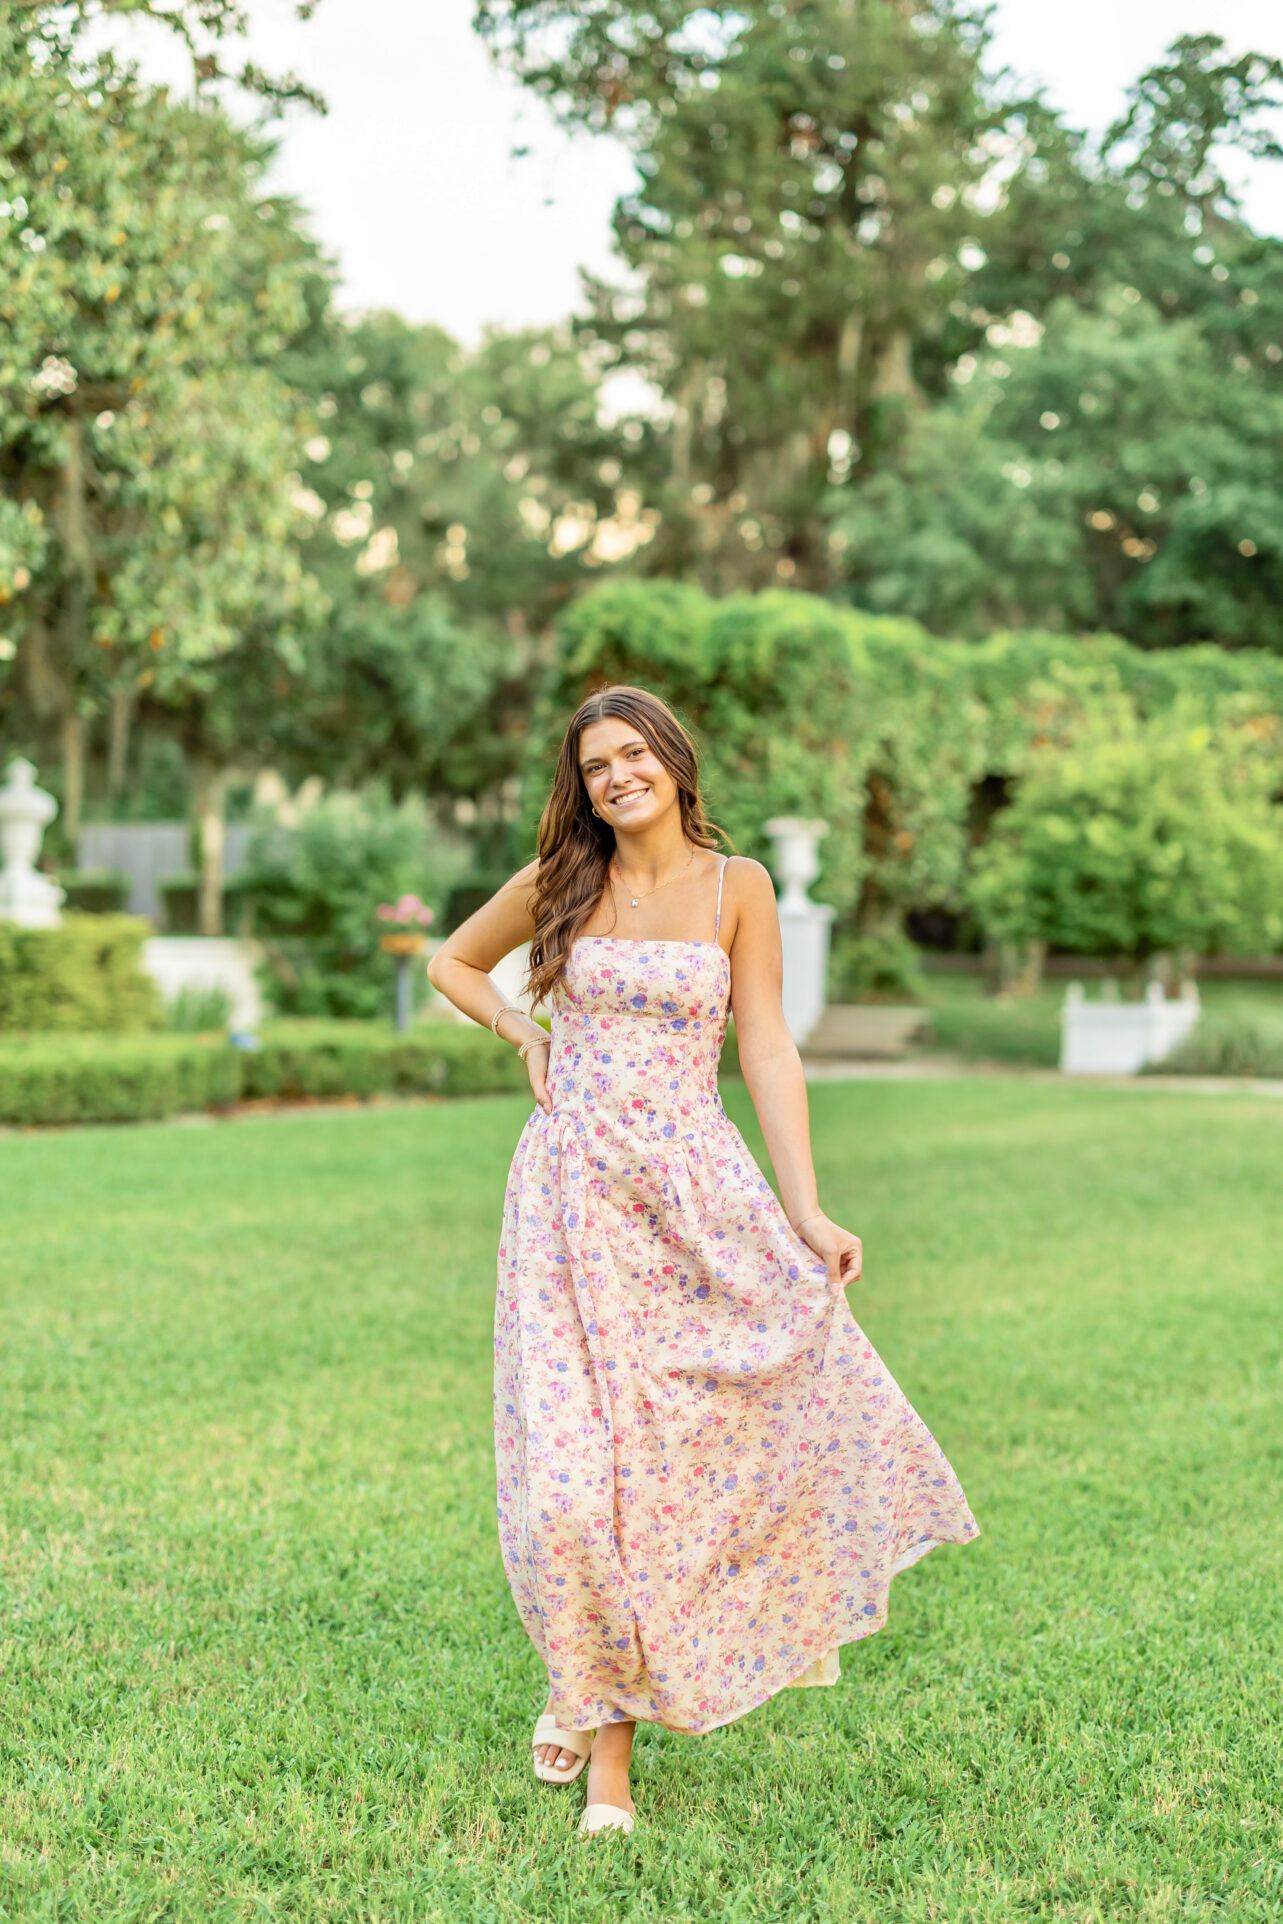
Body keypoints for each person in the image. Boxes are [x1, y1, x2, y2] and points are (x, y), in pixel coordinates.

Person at [427, 684, 980, 1840]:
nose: (616, 775)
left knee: (664, 1474)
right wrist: (522, 1030)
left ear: (674, 762)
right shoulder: (558, 882)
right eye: (595, 765)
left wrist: (804, 1205)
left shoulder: (740, 888)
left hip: (693, 1203)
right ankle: (580, 1682)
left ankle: (605, 1751)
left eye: (633, 753)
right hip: (570, 1204)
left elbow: (765, 1043)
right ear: (581, 786)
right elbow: (454, 964)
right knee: (567, 1494)